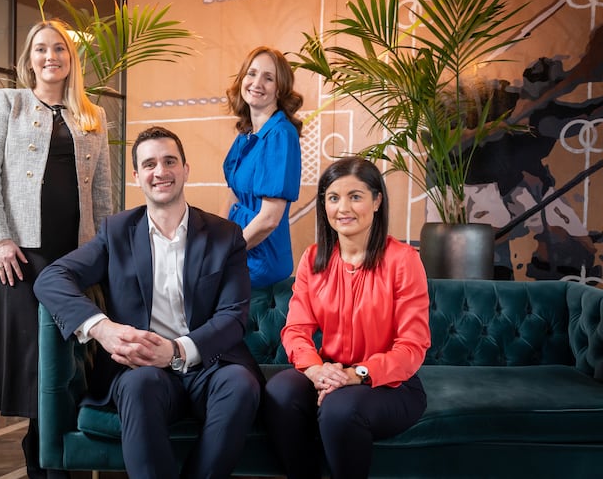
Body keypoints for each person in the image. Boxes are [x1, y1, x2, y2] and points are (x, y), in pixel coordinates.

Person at [34, 126, 262, 479]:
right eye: (150, 164)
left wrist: (176, 350)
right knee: (139, 387)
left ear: (186, 169)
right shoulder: (117, 231)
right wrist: (103, 329)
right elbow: (51, 278)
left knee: (240, 385)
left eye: (170, 161)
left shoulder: (224, 235)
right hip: (141, 367)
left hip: (209, 364)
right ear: (138, 176)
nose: (161, 171)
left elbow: (233, 316)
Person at [0, 19, 112, 478]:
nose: (51, 57)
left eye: (60, 49)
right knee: (34, 361)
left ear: (72, 59)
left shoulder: (93, 114)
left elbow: (103, 191)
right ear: (29, 59)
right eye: (41, 49)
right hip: (20, 256)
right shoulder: (7, 103)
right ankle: (42, 460)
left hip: (74, 255)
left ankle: (58, 455)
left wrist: (105, 250)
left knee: (70, 357)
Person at [263, 157, 430, 479]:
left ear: (377, 201)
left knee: (340, 409)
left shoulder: (403, 261)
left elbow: (412, 346)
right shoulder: (313, 258)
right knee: (281, 391)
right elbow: (296, 329)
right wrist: (316, 370)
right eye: (333, 197)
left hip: (390, 385)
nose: (343, 208)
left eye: (356, 196)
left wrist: (357, 375)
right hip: (331, 372)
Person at [222, 46, 303, 288]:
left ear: (280, 89)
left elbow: (269, 219)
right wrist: (216, 242)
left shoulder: (280, 134)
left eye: (269, 78)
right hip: (239, 247)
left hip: (260, 259)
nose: (257, 83)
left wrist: (225, 255)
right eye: (252, 73)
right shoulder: (246, 134)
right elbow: (233, 195)